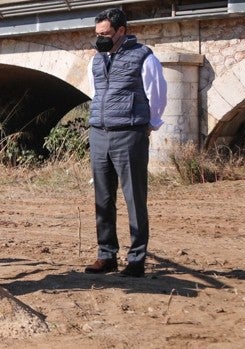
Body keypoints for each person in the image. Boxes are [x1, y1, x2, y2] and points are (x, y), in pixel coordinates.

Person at [84, 8, 167, 277]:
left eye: (105, 34)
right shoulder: (95, 61)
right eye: (97, 34)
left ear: (121, 31)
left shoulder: (144, 57)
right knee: (103, 199)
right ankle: (106, 255)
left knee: (134, 198)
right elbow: (95, 94)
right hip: (99, 134)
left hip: (129, 134)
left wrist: (149, 126)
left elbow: (157, 95)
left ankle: (136, 259)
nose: (100, 39)